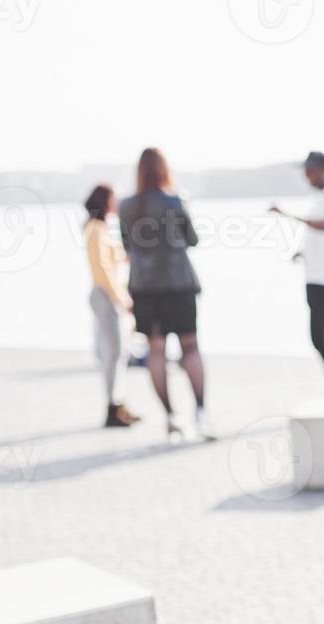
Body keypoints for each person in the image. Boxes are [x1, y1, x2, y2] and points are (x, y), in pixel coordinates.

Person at [118, 147, 213, 441]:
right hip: (178, 284)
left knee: (155, 350)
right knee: (190, 347)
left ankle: (171, 416)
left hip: (145, 288)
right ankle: (200, 411)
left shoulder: (126, 205)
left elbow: (126, 247)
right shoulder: (174, 201)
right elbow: (193, 239)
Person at [269, 150, 324, 395]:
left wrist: (287, 215)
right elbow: (318, 234)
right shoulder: (318, 197)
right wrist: (302, 253)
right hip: (314, 275)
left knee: (318, 336)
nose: (307, 176)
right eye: (305, 171)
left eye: (311, 171)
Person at [82, 184, 140, 428]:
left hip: (111, 294)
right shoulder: (95, 229)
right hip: (105, 295)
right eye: (113, 198)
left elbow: (114, 261)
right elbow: (102, 268)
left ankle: (118, 402)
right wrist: (121, 299)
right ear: (105, 201)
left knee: (119, 351)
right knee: (113, 352)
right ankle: (112, 406)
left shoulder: (104, 228)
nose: (117, 202)